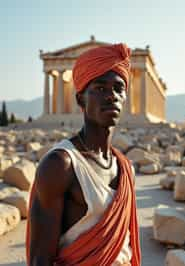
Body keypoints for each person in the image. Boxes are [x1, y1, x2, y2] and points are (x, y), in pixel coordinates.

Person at [26, 43, 141, 266]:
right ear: (80, 99)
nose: (111, 96)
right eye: (100, 88)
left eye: (118, 88)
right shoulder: (60, 165)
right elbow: (40, 258)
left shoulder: (125, 167)